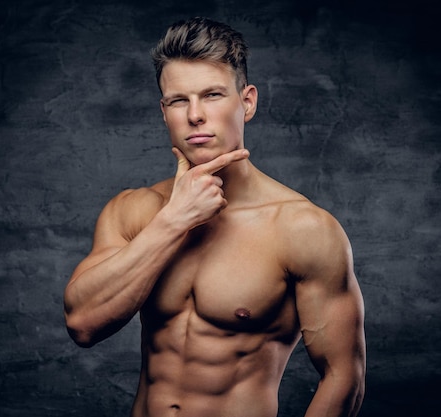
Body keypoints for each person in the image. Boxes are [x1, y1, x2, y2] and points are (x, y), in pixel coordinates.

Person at [63, 16, 365, 417]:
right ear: (163, 110)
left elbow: (344, 377)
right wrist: (174, 220)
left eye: (212, 95)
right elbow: (83, 324)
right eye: (178, 100)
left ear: (248, 101)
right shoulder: (134, 211)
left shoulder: (302, 228)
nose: (195, 115)